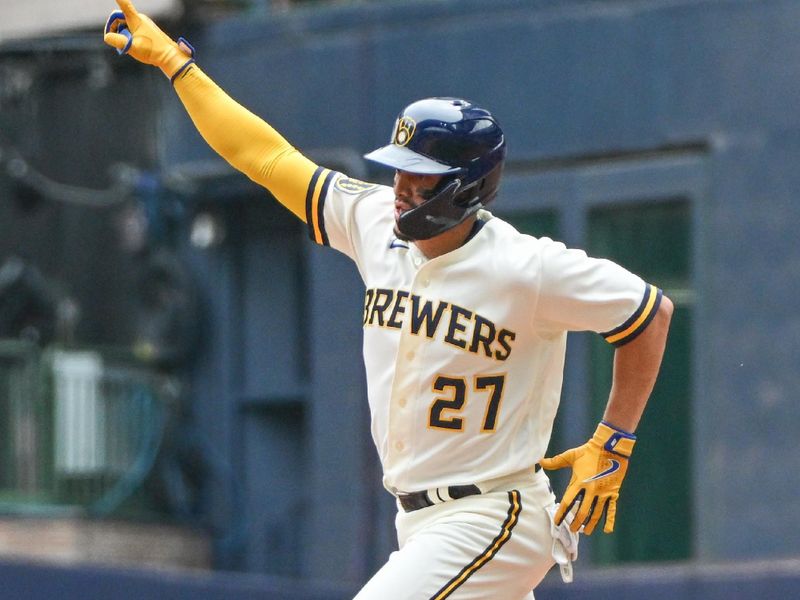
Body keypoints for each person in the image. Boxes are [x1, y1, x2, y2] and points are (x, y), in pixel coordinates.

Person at [103, 2, 673, 597]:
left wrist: (614, 440)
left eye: (418, 177)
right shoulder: (375, 221)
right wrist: (176, 65)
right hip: (419, 519)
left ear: (467, 185)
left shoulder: (525, 268)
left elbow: (649, 312)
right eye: (398, 171)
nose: (399, 189)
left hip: (491, 514)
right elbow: (266, 158)